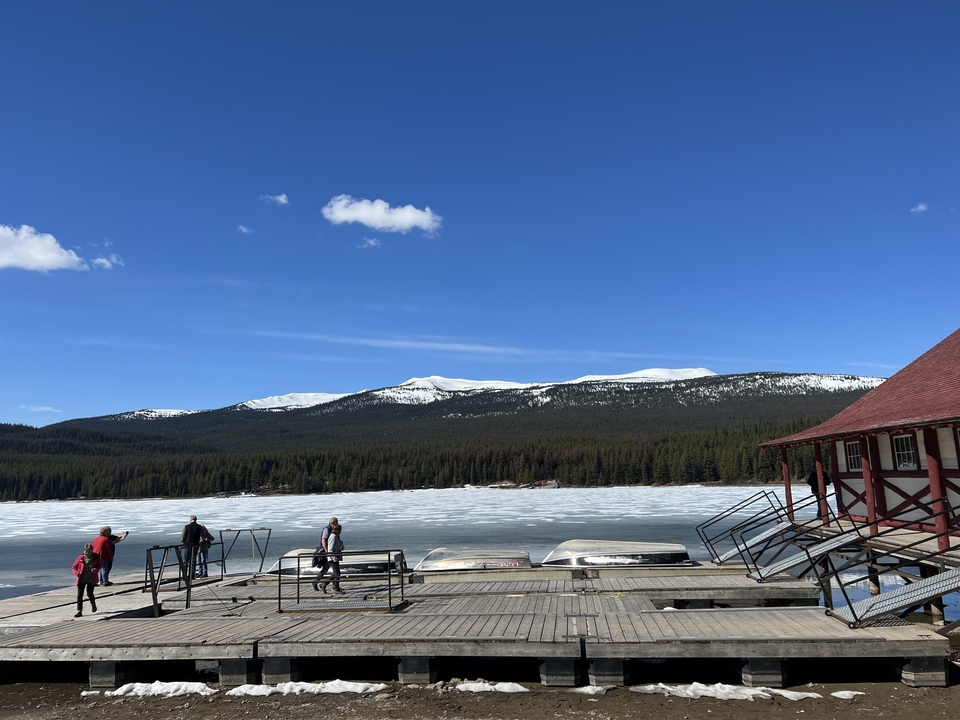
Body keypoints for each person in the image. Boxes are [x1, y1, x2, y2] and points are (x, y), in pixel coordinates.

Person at [72, 543, 102, 618]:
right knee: (79, 595)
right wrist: (76, 573)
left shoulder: (96, 557)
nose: (87, 553)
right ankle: (79, 611)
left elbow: (100, 565)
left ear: (92, 550)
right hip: (81, 578)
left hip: (91, 578)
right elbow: (74, 567)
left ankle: (93, 605)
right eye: (85, 551)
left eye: (88, 551)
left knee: (89, 593)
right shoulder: (80, 558)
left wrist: (95, 569)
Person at [312, 516, 341, 593]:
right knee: (328, 569)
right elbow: (323, 540)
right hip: (327, 552)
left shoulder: (334, 531)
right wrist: (327, 551)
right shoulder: (327, 529)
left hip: (330, 552)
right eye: (336, 522)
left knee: (333, 570)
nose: (338, 523)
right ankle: (317, 582)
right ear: (332, 523)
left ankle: (335, 586)